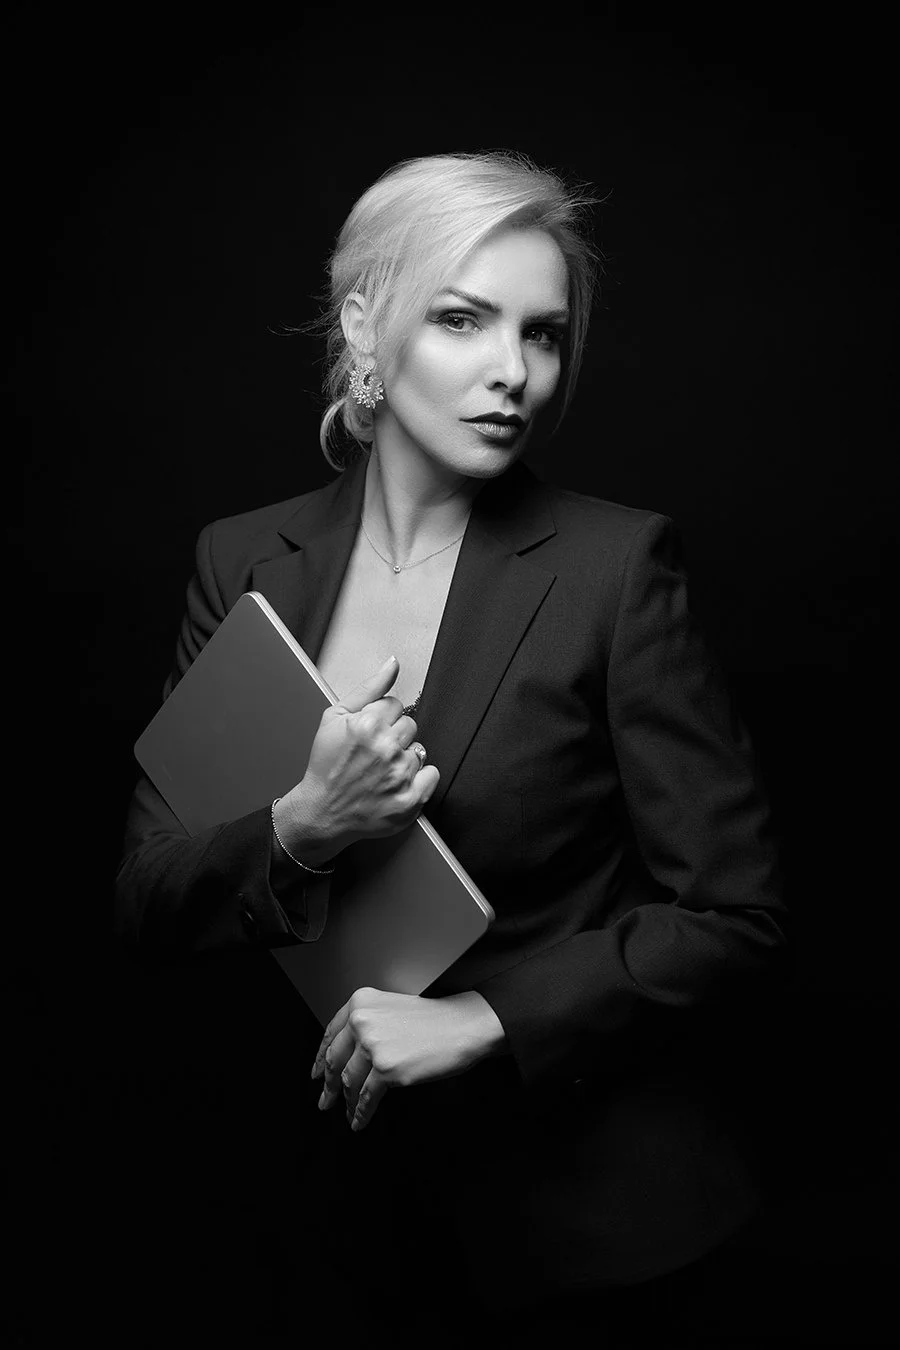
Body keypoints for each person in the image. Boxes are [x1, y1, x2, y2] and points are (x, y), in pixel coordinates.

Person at [115, 150, 789, 1346]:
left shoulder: (614, 570)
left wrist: (484, 1019)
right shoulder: (243, 562)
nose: (513, 374)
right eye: (465, 320)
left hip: (590, 1240)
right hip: (327, 1238)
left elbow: (736, 917)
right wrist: (301, 829)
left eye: (543, 335)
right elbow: (150, 899)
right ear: (366, 325)